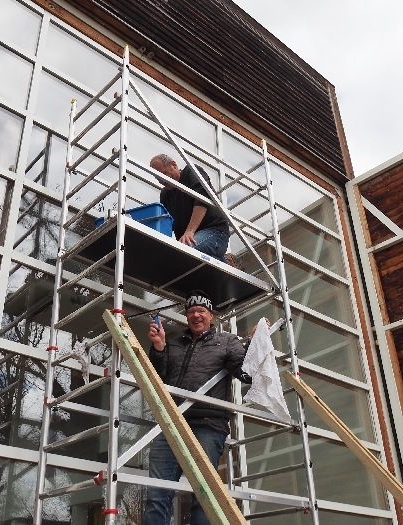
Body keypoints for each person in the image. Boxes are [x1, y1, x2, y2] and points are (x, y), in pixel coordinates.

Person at [143, 289, 252, 525]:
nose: (196, 315)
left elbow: (246, 372)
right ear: (186, 316)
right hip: (171, 424)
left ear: (211, 315)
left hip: (207, 425)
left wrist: (255, 344)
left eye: (201, 311)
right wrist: (159, 347)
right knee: (157, 494)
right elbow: (157, 378)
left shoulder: (226, 341)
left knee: (203, 496)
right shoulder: (174, 343)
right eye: (191, 311)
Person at [150, 154, 230, 262]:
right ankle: (225, 262)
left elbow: (202, 198)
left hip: (214, 231)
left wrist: (190, 231)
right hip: (189, 238)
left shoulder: (191, 171)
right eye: (158, 178)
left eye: (164, 174)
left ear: (173, 165)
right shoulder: (165, 194)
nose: (162, 181)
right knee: (173, 256)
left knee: (183, 251)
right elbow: (167, 223)